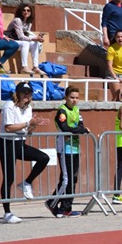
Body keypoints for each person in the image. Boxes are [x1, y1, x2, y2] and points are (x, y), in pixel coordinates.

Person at [0, 83, 50, 224]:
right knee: (9, 177)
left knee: (43, 158)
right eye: (23, 92)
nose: (26, 95)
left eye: (29, 93)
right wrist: (28, 123)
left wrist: (34, 124)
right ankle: (7, 213)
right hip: (6, 143)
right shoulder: (9, 105)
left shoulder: (28, 108)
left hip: (19, 142)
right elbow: (8, 128)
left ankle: (27, 183)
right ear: (17, 93)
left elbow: (28, 131)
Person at [46, 87, 90, 218]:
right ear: (66, 97)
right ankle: (52, 203)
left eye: (76, 97)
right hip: (64, 148)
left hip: (75, 147)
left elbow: (81, 125)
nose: (74, 100)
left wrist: (78, 130)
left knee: (73, 178)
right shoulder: (62, 111)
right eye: (72, 97)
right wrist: (79, 130)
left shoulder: (77, 110)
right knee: (66, 179)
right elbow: (65, 128)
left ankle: (66, 208)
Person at [5, 4, 45, 76]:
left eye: (28, 10)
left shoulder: (29, 23)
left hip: (18, 41)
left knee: (34, 43)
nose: (26, 12)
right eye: (24, 10)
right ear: (20, 11)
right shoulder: (17, 20)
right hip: (10, 40)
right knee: (26, 43)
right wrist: (35, 38)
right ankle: (24, 67)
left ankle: (35, 67)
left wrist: (37, 38)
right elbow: (21, 37)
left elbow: (27, 35)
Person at [106, 31, 122, 101]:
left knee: (121, 98)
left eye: (121, 37)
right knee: (117, 97)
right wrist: (115, 77)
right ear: (115, 38)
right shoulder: (111, 49)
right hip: (113, 74)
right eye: (118, 37)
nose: (120, 39)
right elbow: (109, 65)